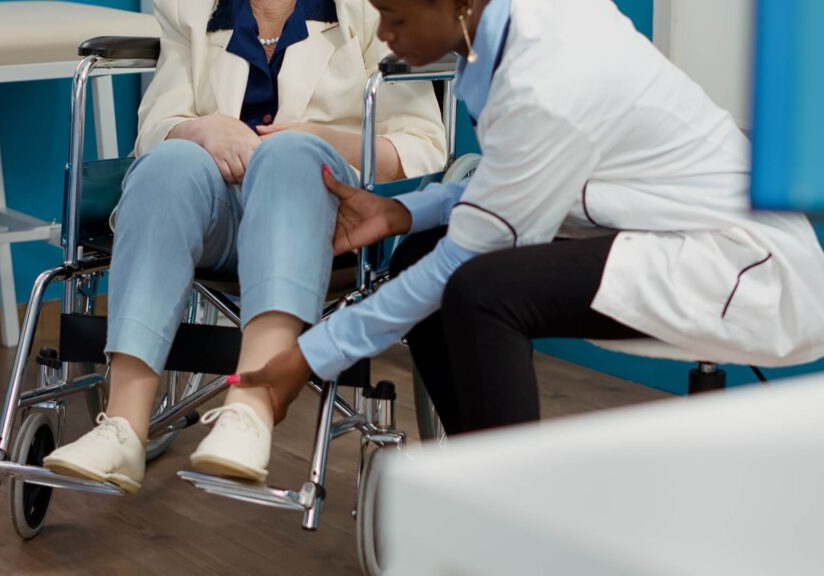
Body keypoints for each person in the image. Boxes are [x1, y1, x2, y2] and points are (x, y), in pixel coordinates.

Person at [235, 0, 824, 434]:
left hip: (737, 259)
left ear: (459, 5)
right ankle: (482, 478)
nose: (385, 37)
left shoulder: (549, 74)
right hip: (656, 227)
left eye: (397, 19)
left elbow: (469, 253)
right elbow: (512, 179)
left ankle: (514, 513)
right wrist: (401, 214)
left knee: (481, 290)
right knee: (423, 255)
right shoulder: (505, 31)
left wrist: (312, 354)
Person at [42, 0, 446, 491]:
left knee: (291, 155)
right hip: (218, 215)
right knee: (167, 163)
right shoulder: (189, 9)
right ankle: (123, 426)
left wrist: (319, 137)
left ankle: (251, 409)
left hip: (323, 215)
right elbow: (155, 125)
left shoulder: (369, 9)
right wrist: (199, 128)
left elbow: (422, 143)